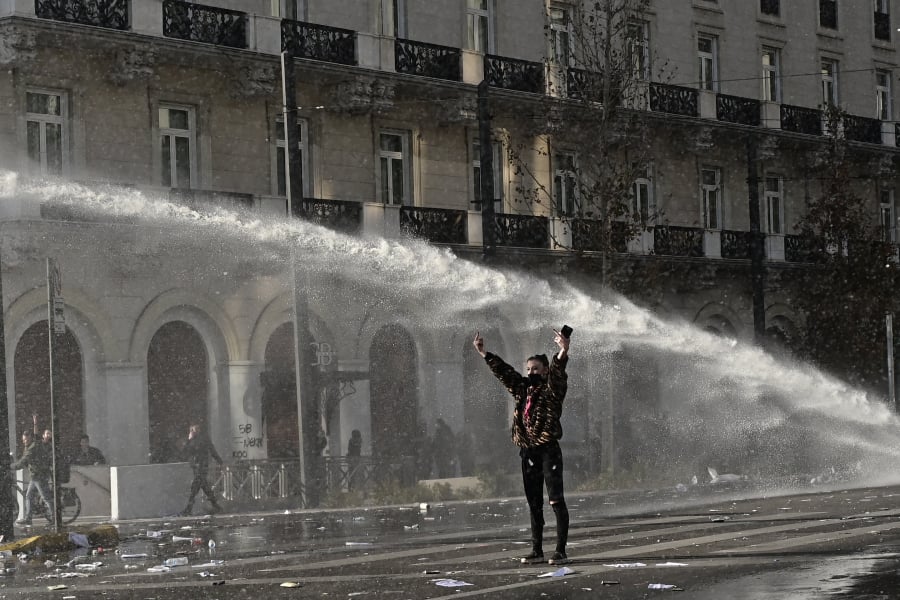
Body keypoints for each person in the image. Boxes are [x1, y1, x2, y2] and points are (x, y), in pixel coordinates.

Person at [473, 328, 571, 565]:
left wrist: (563, 350)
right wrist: (484, 353)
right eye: (529, 369)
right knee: (534, 501)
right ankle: (537, 550)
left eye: (536, 369)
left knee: (555, 499)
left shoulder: (552, 389)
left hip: (548, 449)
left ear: (545, 370)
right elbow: (505, 373)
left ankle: (560, 551)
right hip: (528, 451)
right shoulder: (523, 389)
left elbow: (558, 372)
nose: (531, 372)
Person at [180, 423, 224, 516]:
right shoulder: (192, 441)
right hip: (196, 467)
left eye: (195, 429)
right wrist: (189, 440)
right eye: (192, 429)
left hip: (202, 467)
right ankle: (216, 506)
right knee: (204, 486)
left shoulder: (203, 439)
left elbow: (212, 450)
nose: (193, 431)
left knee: (195, 488)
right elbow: (184, 452)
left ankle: (189, 508)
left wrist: (220, 461)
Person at [11, 430, 52, 525]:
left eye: (25, 440)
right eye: (23, 440)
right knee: (28, 496)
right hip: (35, 476)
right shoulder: (30, 446)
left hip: (39, 476)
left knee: (45, 497)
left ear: (29, 438)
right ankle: (28, 518)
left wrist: (9, 466)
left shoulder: (32, 448)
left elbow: (22, 462)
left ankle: (55, 518)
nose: (24, 441)